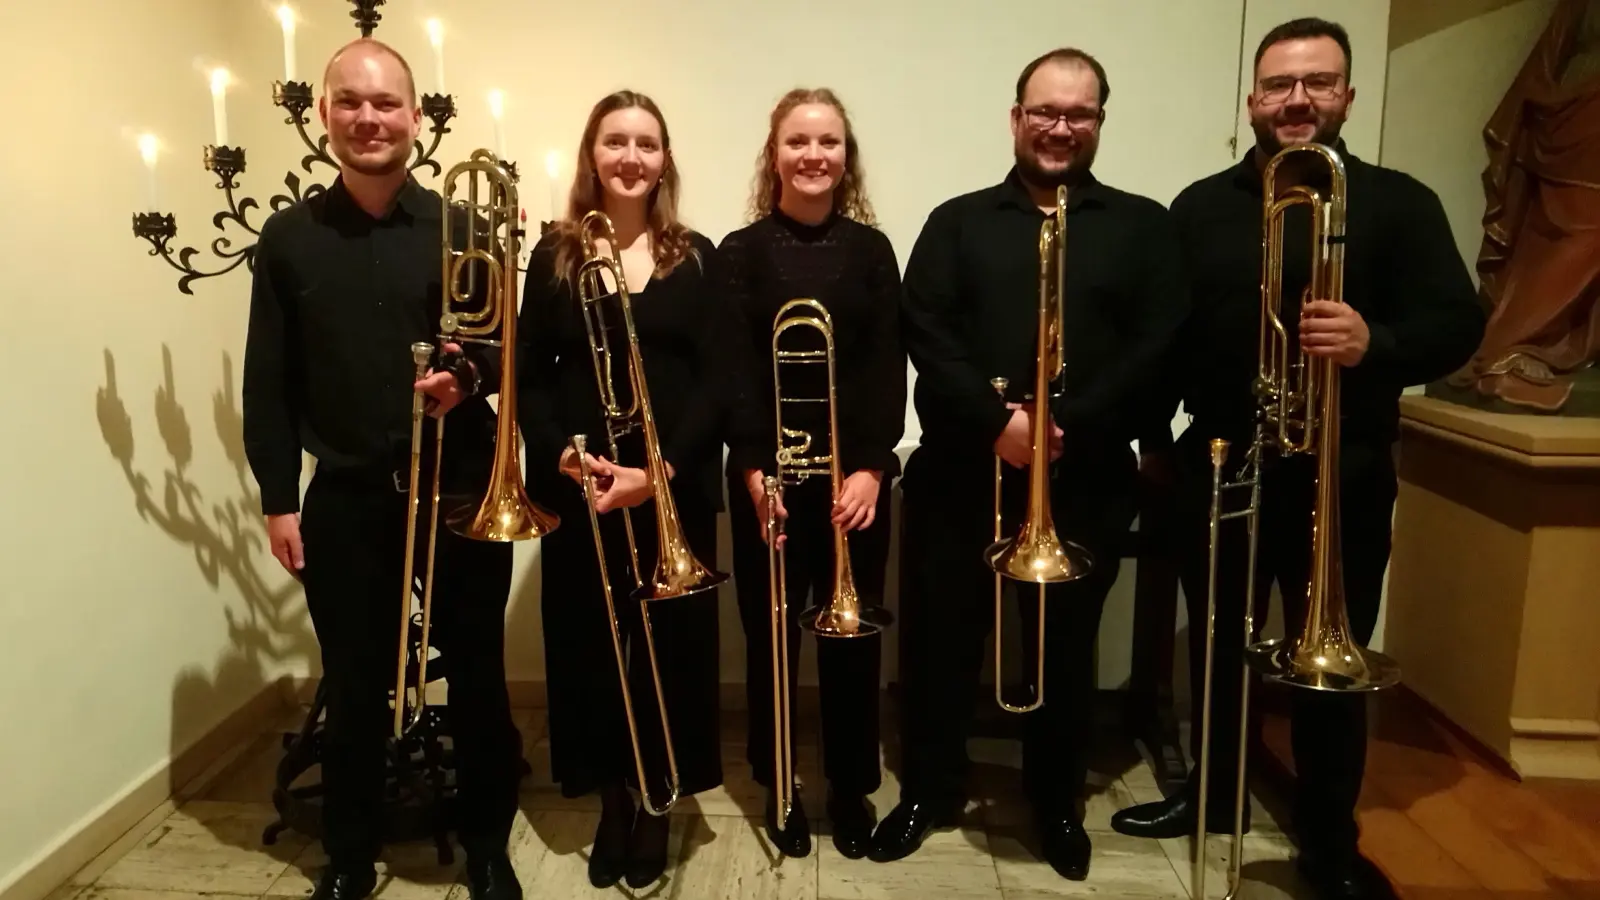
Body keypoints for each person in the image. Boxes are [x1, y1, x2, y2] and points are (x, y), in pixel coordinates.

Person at [1110, 18, 1485, 900]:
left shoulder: (1400, 203)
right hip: (1226, 461)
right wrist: (1153, 440)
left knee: (1332, 663)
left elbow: (1458, 325)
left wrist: (1374, 340)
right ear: (1252, 99)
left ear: (1347, 97)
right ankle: (1213, 800)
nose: (1298, 100)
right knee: (1221, 649)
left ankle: (1327, 841)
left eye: (1319, 83)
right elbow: (1161, 339)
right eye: (1281, 84)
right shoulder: (1199, 209)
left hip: (1344, 469)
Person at [871, 48, 1189, 881]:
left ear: (1098, 124)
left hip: (1082, 476)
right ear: (1016, 119)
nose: (1059, 126)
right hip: (960, 476)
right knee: (942, 643)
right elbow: (926, 334)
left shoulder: (1144, 226)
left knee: (1066, 647)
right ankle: (930, 791)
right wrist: (996, 425)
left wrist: (1061, 425)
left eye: (1077, 113)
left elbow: (1157, 346)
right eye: (1044, 110)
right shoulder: (957, 221)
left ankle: (1055, 804)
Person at [241, 39, 523, 900]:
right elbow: (267, 380)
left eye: (387, 103)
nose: (370, 118)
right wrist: (278, 499)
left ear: (415, 115)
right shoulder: (288, 238)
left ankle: (485, 846)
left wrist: (464, 376)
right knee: (357, 683)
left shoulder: (466, 228)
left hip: (461, 488)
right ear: (323, 113)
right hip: (349, 499)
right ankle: (351, 856)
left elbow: (506, 347)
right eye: (352, 102)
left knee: (476, 675)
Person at [516, 89, 730, 891]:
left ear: (664, 159)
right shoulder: (557, 255)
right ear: (592, 154)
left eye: (646, 143)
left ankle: (659, 801)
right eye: (616, 142)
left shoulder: (695, 256)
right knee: (588, 652)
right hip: (586, 487)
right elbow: (532, 376)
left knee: (671, 656)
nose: (631, 157)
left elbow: (719, 380)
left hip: (667, 487)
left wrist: (662, 475)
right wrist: (566, 460)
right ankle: (613, 801)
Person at [720, 87, 906, 860]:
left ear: (845, 155)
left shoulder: (870, 251)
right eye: (798, 141)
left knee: (851, 644)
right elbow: (732, 371)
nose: (814, 155)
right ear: (775, 154)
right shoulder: (740, 251)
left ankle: (852, 788)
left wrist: (871, 468)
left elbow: (885, 368)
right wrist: (756, 469)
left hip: (850, 487)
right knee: (771, 645)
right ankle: (782, 784)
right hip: (771, 483)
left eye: (828, 142)